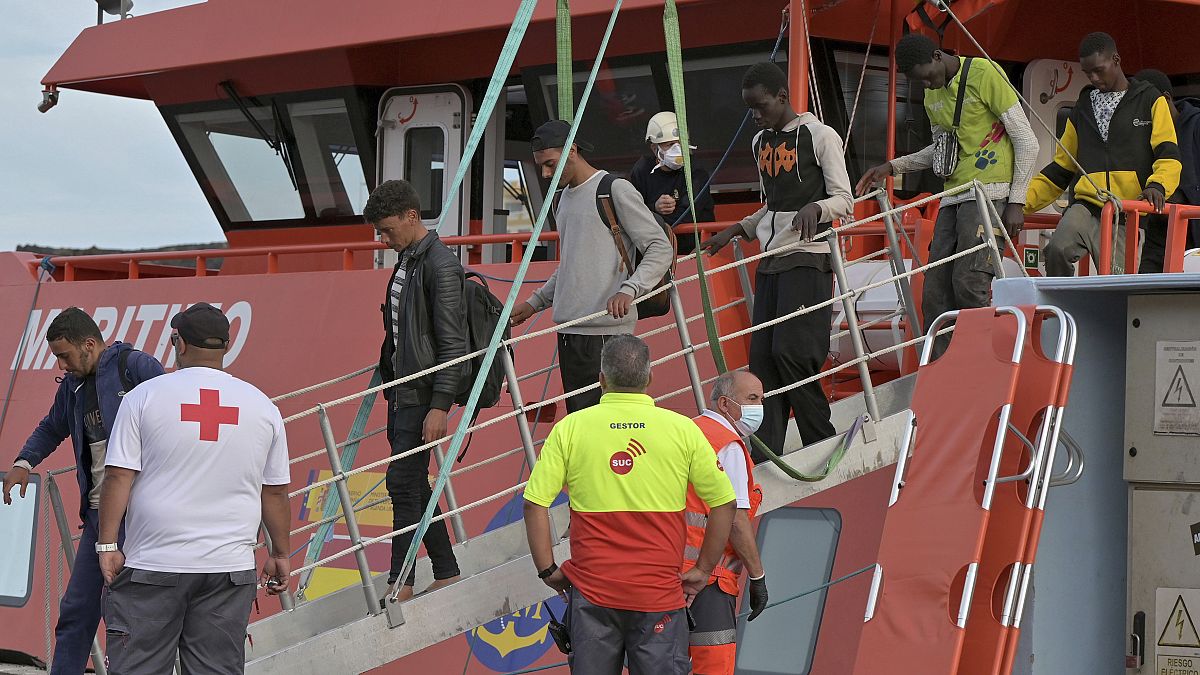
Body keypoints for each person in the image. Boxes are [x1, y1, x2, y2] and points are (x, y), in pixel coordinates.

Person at [523, 335, 736, 675]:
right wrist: (702, 570)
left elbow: (535, 505)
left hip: (592, 596)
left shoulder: (570, 429)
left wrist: (549, 570)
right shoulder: (683, 430)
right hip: (660, 598)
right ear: (650, 379)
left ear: (602, 379)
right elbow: (725, 504)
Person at [97, 303, 291, 675]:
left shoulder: (144, 397)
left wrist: (107, 544)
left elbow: (119, 476)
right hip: (228, 571)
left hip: (153, 566)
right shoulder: (263, 407)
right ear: (226, 348)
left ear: (178, 343)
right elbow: (275, 493)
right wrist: (280, 553)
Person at [700, 62, 854, 460]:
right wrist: (738, 229)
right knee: (762, 361)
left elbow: (845, 200)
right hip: (770, 260)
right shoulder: (759, 143)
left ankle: (820, 439)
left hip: (808, 257)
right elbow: (773, 206)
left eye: (761, 106)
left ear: (782, 97)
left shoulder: (821, 136)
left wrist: (818, 208)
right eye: (750, 108)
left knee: (793, 352)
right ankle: (765, 452)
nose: (756, 115)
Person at [1, 308, 163, 675]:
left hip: (143, 517)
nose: (61, 363)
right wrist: (23, 463)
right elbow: (51, 428)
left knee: (127, 614)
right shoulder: (71, 388)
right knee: (76, 610)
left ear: (89, 344)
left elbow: (173, 418)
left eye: (65, 355)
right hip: (98, 519)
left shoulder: (136, 368)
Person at [856, 33, 1038, 350]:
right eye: (919, 82)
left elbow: (1027, 140)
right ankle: (940, 368)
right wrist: (893, 166)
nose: (926, 86)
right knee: (935, 291)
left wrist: (1016, 201)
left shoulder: (985, 73)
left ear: (938, 57)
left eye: (926, 77)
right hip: (952, 197)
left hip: (988, 194)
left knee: (969, 282)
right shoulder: (932, 95)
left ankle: (977, 361)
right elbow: (941, 152)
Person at [509, 120, 673, 413]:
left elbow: (659, 247)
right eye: (542, 167)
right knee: (585, 423)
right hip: (571, 333)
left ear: (572, 150)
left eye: (550, 164)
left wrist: (630, 290)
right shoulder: (562, 200)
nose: (546, 174)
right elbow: (570, 264)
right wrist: (534, 304)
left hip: (609, 333)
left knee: (611, 422)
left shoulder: (614, 188)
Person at [366, 179, 464, 602]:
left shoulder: (440, 265)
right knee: (411, 484)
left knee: (402, 481)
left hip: (423, 395)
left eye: (388, 230)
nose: (384, 240)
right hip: (402, 391)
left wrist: (440, 405)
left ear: (412, 216)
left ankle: (400, 581)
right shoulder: (408, 258)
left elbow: (452, 343)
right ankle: (445, 570)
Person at [1027, 32, 1181, 276]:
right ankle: (1065, 308)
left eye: (1099, 70)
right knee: (1057, 249)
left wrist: (1158, 185)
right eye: (1088, 73)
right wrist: (1020, 202)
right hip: (1087, 205)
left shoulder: (1150, 99)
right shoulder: (1082, 108)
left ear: (1116, 60)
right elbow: (1061, 168)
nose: (1094, 78)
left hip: (1127, 212)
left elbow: (1169, 154)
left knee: (1116, 283)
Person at [685, 371, 770, 675]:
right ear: (724, 403)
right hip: (709, 579)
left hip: (665, 572)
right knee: (714, 665)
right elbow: (735, 520)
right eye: (752, 399)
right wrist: (758, 577)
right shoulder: (728, 446)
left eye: (761, 398)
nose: (760, 406)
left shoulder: (688, 431)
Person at [1132, 68, 1200, 273]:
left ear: (1166, 99)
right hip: (1159, 227)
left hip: (1194, 228)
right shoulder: (1142, 133)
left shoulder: (1196, 125)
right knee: (1144, 289)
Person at [629, 111, 716, 253]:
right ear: (654, 147)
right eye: (669, 144)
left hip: (694, 250)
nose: (677, 150)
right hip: (653, 250)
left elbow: (686, 216)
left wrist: (652, 214)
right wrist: (654, 207)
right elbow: (631, 211)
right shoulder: (642, 170)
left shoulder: (696, 172)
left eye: (681, 143)